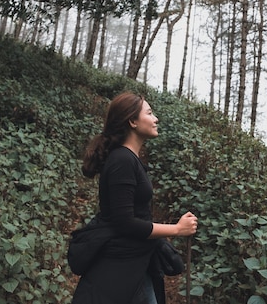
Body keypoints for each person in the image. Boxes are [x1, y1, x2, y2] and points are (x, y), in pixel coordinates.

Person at [70, 91, 197, 304]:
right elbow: (125, 222)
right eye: (149, 113)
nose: (155, 118)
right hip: (120, 264)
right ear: (132, 122)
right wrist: (176, 229)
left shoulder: (129, 159)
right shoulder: (122, 161)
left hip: (135, 261)